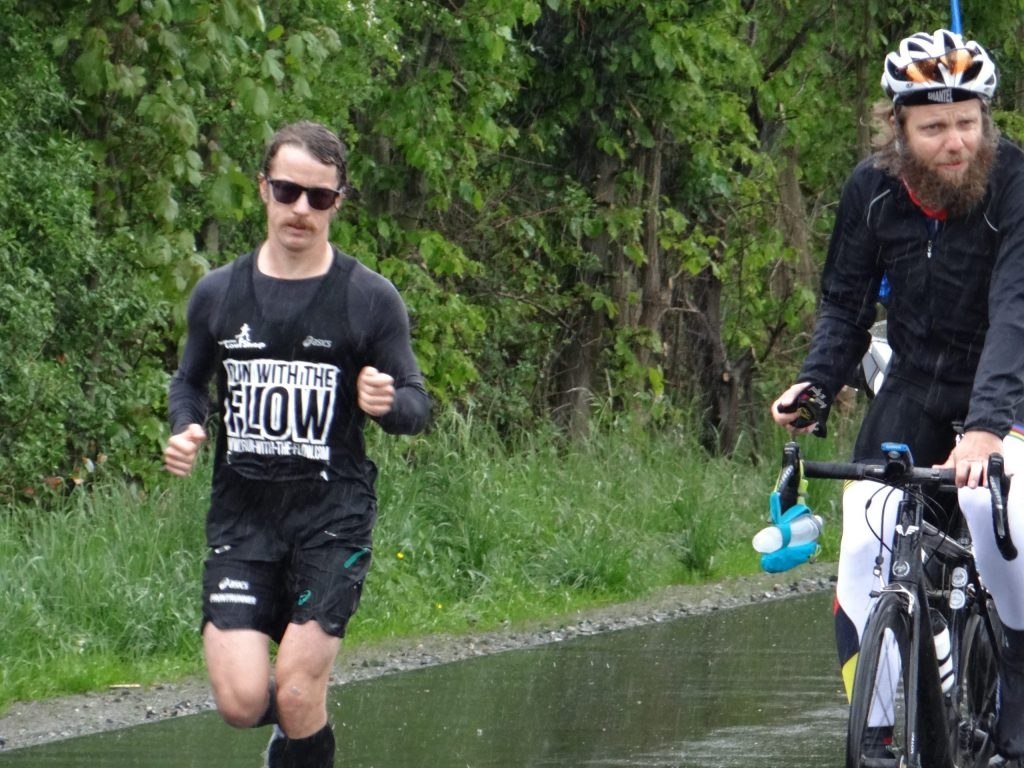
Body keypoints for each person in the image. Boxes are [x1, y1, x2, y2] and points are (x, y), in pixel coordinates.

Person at [770, 29, 1024, 767]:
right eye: (935, 126)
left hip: (1008, 382)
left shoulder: (1015, 181)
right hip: (916, 383)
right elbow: (845, 308)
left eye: (967, 122)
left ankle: (1017, 674)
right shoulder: (871, 189)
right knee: (867, 525)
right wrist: (816, 384)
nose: (956, 142)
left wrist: (985, 430)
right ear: (899, 128)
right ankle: (876, 736)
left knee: (991, 504)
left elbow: (1014, 310)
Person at [163, 121, 431, 768]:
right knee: (241, 701)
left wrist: (387, 403)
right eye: (287, 191)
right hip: (243, 520)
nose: (301, 210)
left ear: (339, 201)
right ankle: (290, 730)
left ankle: (299, 727)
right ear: (264, 189)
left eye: (319, 197)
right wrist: (185, 427)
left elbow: (418, 406)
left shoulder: (369, 298)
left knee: (298, 688)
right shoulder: (218, 293)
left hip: (330, 521)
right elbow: (188, 382)